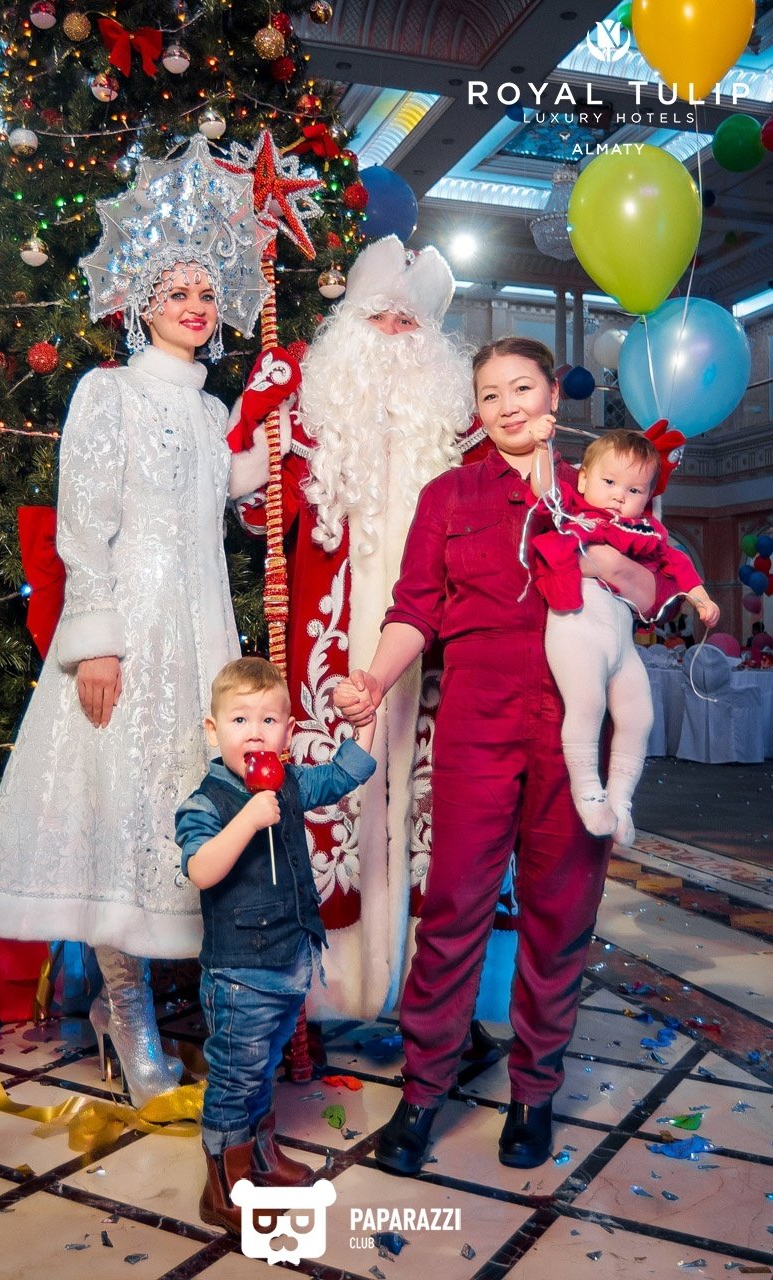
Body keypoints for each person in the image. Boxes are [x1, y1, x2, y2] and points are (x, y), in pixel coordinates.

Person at [0, 140, 274, 1107]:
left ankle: (151, 997)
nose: (195, 304)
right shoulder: (109, 392)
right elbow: (82, 522)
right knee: (116, 805)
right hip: (130, 627)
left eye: (206, 292)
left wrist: (278, 432)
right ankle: (125, 1011)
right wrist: (95, 641)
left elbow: (229, 492)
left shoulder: (212, 410)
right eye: (176, 290)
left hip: (202, 632)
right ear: (141, 302)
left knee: (182, 803)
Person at [334, 336, 680, 1173]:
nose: (505, 406)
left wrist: (608, 559)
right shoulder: (448, 494)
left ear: (552, 395)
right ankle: (423, 1093)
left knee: (560, 914)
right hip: (478, 721)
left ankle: (533, 1092)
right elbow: (414, 608)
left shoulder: (602, 487)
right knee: (453, 907)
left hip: (577, 727)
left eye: (520, 388)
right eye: (489, 395)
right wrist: (374, 679)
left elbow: (657, 596)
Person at [232, 235, 485, 1020]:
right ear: (348, 329)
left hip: (434, 648)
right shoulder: (309, 418)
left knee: (429, 806)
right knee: (333, 800)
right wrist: (255, 415)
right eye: (379, 318)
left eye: (410, 324)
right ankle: (326, 993)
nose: (394, 336)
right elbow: (251, 510)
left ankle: (427, 992)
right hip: (331, 642)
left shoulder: (463, 433)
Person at [174, 657, 376, 1232]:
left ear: (288, 732)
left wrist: (365, 723)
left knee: (262, 1069)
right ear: (214, 730)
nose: (255, 732)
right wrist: (246, 820)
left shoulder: (288, 784)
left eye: (268, 720)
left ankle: (260, 1157)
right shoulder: (206, 802)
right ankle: (223, 1185)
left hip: (289, 962)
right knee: (233, 1080)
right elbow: (201, 869)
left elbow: (342, 775)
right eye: (239, 720)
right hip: (240, 976)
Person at [527, 426, 720, 845]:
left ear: (647, 496)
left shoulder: (646, 532)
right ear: (583, 479)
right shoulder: (573, 508)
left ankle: (621, 801)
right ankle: (588, 792)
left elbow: (678, 566)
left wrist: (702, 599)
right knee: (588, 703)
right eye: (609, 482)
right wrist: (542, 446)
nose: (618, 495)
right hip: (576, 624)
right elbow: (543, 489)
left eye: (633, 490)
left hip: (621, 641)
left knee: (640, 716)